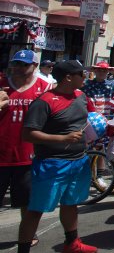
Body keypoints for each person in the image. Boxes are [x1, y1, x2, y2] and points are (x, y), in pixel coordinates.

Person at [19, 60, 97, 253]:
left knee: (71, 203)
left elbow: (90, 120)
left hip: (79, 161)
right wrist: (62, 138)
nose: (85, 77)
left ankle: (72, 243)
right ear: (68, 77)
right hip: (51, 164)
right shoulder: (44, 101)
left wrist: (102, 129)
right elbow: (28, 134)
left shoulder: (81, 96)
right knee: (36, 209)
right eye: (81, 74)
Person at [0, 50, 51, 249]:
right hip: (2, 152)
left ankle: (28, 233)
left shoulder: (44, 87)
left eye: (24, 65)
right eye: (16, 64)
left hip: (28, 155)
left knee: (26, 201)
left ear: (35, 67)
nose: (19, 68)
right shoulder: (2, 84)